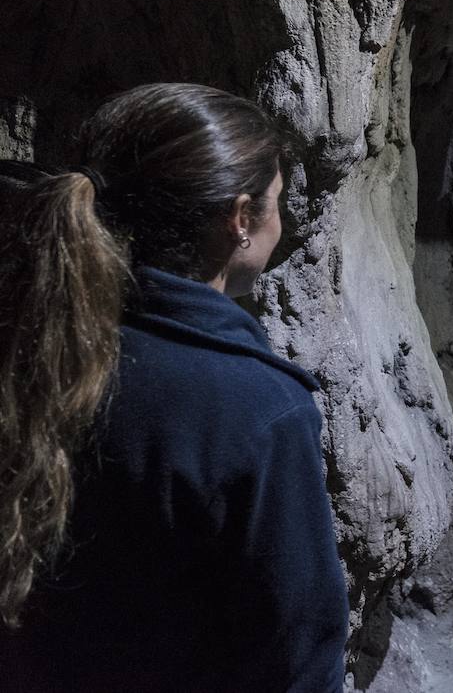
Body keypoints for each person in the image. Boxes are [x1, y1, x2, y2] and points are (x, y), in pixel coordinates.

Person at [0, 83, 348, 691]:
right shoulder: (256, 409)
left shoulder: (31, 340)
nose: (281, 221)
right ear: (240, 219)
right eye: (277, 203)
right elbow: (298, 646)